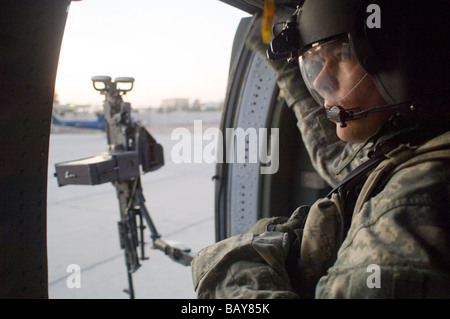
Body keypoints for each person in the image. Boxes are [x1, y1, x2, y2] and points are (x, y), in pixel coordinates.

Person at [191, 0, 449, 298]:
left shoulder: (412, 203)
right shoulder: (410, 149)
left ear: (405, 57)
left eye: (341, 55)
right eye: (316, 61)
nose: (321, 79)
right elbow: (336, 160)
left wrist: (231, 271)